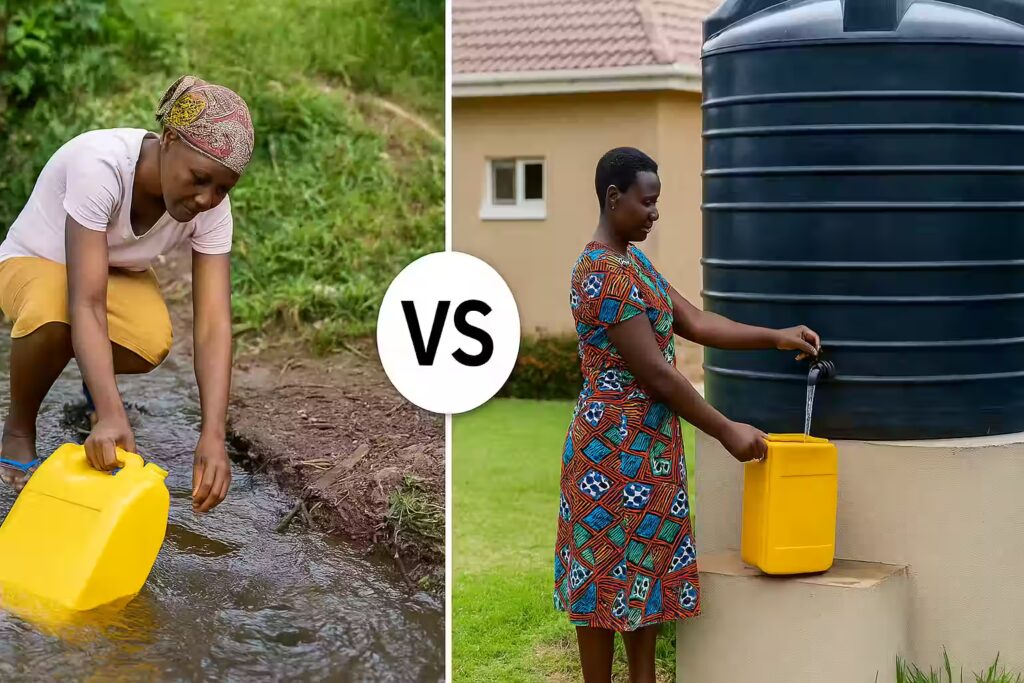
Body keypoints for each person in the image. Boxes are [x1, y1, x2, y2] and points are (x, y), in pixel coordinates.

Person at [555, 147, 821, 682]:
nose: (655, 213)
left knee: (644, 575)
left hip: (650, 452)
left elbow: (695, 322)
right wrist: (726, 430)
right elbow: (655, 373)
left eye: (657, 203)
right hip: (611, 455)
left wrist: (775, 336)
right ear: (614, 197)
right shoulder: (602, 273)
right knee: (606, 577)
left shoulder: (633, 263)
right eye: (646, 202)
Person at [0, 75, 254, 513]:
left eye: (222, 189)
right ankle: (19, 428)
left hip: (113, 273)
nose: (206, 199)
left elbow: (213, 325)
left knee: (149, 340)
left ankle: (92, 380)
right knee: (55, 313)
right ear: (170, 138)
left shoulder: (212, 209)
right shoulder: (100, 165)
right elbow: (86, 301)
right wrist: (112, 412)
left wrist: (212, 433)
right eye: (199, 179)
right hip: (37, 262)